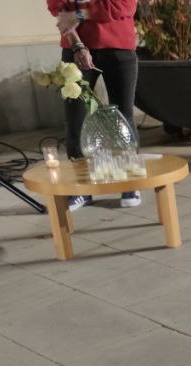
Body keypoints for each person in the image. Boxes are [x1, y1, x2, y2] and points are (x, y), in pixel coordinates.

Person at [46, 0, 140, 211]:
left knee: (123, 117)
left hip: (118, 46)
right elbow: (59, 10)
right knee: (75, 118)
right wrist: (78, 45)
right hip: (74, 47)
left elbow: (124, 6)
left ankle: (130, 182)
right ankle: (82, 188)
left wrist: (80, 14)